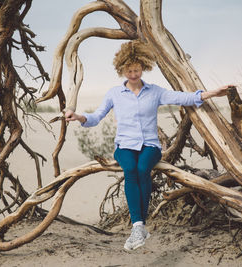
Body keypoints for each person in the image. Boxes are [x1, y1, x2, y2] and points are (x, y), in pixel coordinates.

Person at [65, 40, 233, 251]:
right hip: (124, 146)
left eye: (136, 70)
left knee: (143, 168)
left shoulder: (155, 92)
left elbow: (183, 97)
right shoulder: (114, 94)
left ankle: (139, 226)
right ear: (122, 69)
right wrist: (78, 116)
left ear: (143, 67)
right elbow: (96, 117)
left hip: (150, 146)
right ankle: (138, 227)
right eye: (129, 70)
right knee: (130, 169)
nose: (133, 74)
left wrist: (212, 93)